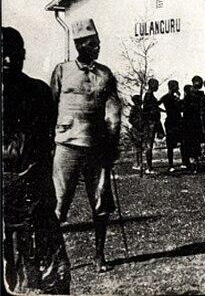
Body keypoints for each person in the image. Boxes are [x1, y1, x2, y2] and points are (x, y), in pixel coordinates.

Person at [2, 27, 71, 294]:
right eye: (3, 54)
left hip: (35, 195)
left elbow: (47, 141)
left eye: (15, 54)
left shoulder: (38, 92)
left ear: (24, 55)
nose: (9, 60)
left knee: (51, 275)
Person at [50, 18, 122, 273]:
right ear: (80, 45)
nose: (97, 48)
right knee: (57, 206)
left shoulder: (105, 74)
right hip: (66, 146)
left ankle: (99, 257)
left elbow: (114, 111)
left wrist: (112, 143)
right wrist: (50, 143)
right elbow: (51, 107)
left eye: (98, 43)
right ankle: (57, 258)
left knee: (101, 204)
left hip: (97, 148)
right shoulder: (62, 70)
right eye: (92, 44)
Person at [160, 80, 183, 173]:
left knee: (171, 145)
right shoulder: (173, 98)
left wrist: (163, 111)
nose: (178, 88)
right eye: (176, 86)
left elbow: (156, 104)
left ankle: (171, 165)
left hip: (171, 121)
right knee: (178, 143)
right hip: (174, 121)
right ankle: (177, 164)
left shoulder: (165, 97)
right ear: (173, 87)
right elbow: (179, 108)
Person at [142, 78, 164, 175]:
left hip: (152, 122)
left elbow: (155, 106)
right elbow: (148, 109)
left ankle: (149, 166)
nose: (157, 87)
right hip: (150, 123)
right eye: (156, 85)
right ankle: (149, 167)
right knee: (149, 145)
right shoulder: (148, 96)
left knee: (149, 145)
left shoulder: (150, 96)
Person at [181, 84, 201, 172]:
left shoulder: (186, 100)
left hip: (188, 124)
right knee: (193, 144)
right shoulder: (192, 99)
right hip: (192, 124)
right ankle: (193, 163)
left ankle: (189, 163)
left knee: (189, 144)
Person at [128, 94, 144, 173]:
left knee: (139, 147)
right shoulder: (134, 109)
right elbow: (131, 119)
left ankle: (139, 163)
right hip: (135, 129)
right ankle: (136, 163)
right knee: (136, 147)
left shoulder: (139, 109)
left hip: (139, 129)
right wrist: (137, 123)